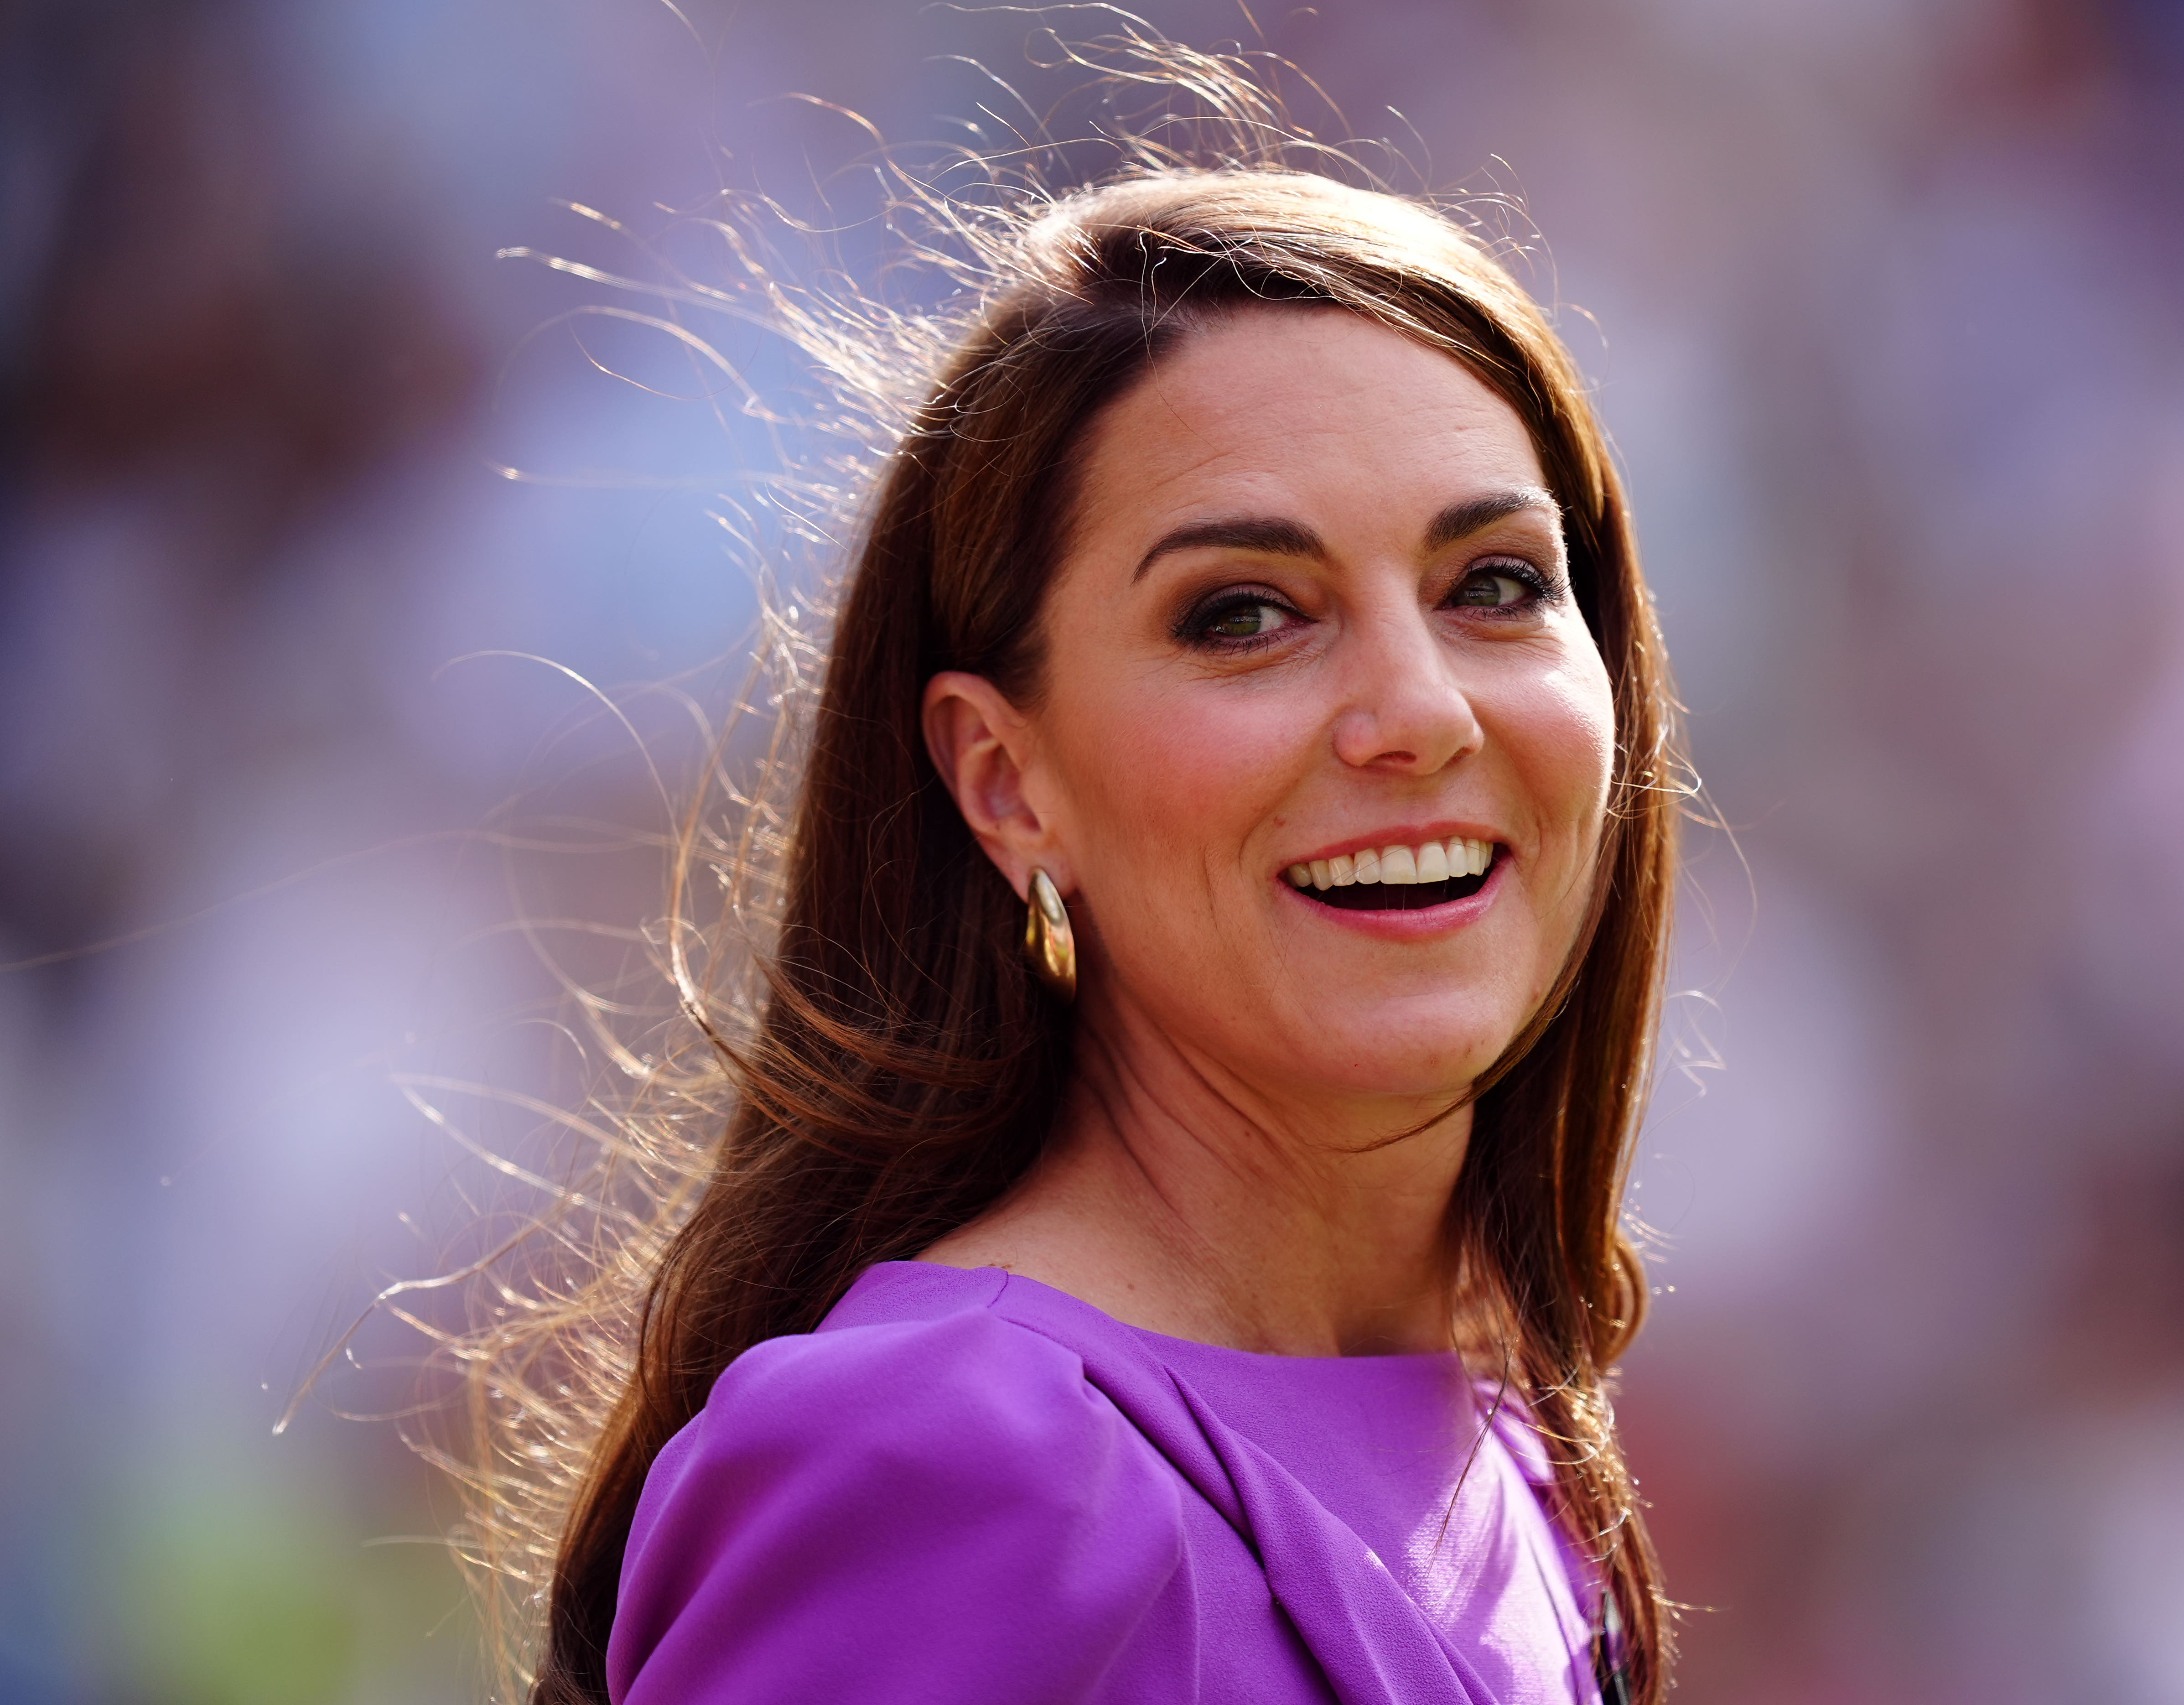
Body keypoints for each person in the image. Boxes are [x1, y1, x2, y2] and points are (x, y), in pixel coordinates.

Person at [500, 129, 1685, 1705]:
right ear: (1005, 781)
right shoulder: (947, 1456)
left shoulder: (1500, 1423)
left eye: (1496, 585)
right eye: (1244, 615)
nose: (1418, 711)